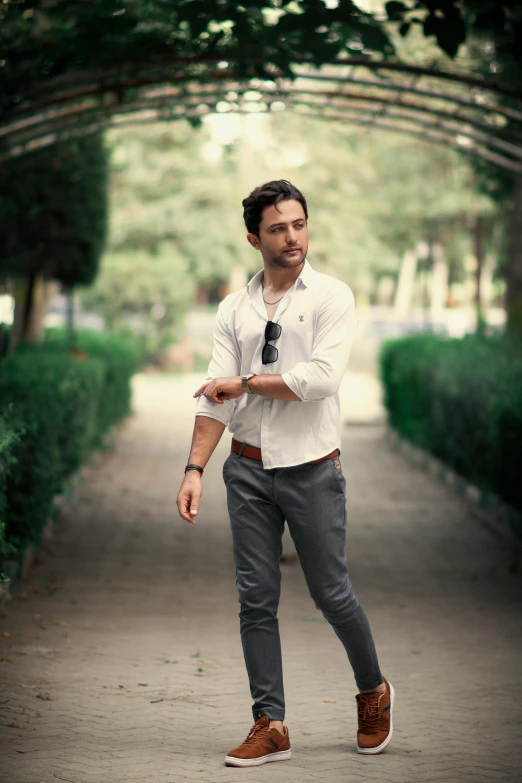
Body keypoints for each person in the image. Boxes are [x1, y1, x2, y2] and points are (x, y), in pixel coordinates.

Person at [176, 180, 394, 767]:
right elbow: (214, 395)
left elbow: (320, 379)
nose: (292, 236)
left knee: (331, 593)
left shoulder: (331, 296)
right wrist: (195, 467)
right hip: (245, 471)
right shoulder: (232, 309)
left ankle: (373, 690)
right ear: (254, 237)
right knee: (255, 599)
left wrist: (245, 382)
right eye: (278, 227)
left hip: (312, 470)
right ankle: (269, 723)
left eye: (298, 223)